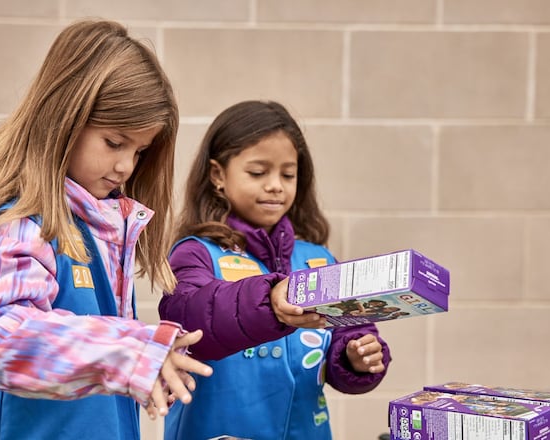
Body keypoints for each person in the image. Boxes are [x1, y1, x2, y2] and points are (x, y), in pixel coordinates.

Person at [0, 20, 212, 440]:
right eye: (114, 142)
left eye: (139, 151)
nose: (126, 167)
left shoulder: (96, 224)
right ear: (64, 118)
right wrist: (129, 352)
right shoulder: (22, 220)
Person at [159, 100, 392, 439]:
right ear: (218, 175)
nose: (275, 185)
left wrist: (357, 354)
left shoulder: (318, 259)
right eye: (258, 172)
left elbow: (350, 331)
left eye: (288, 174)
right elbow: (190, 320)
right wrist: (267, 301)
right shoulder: (195, 253)